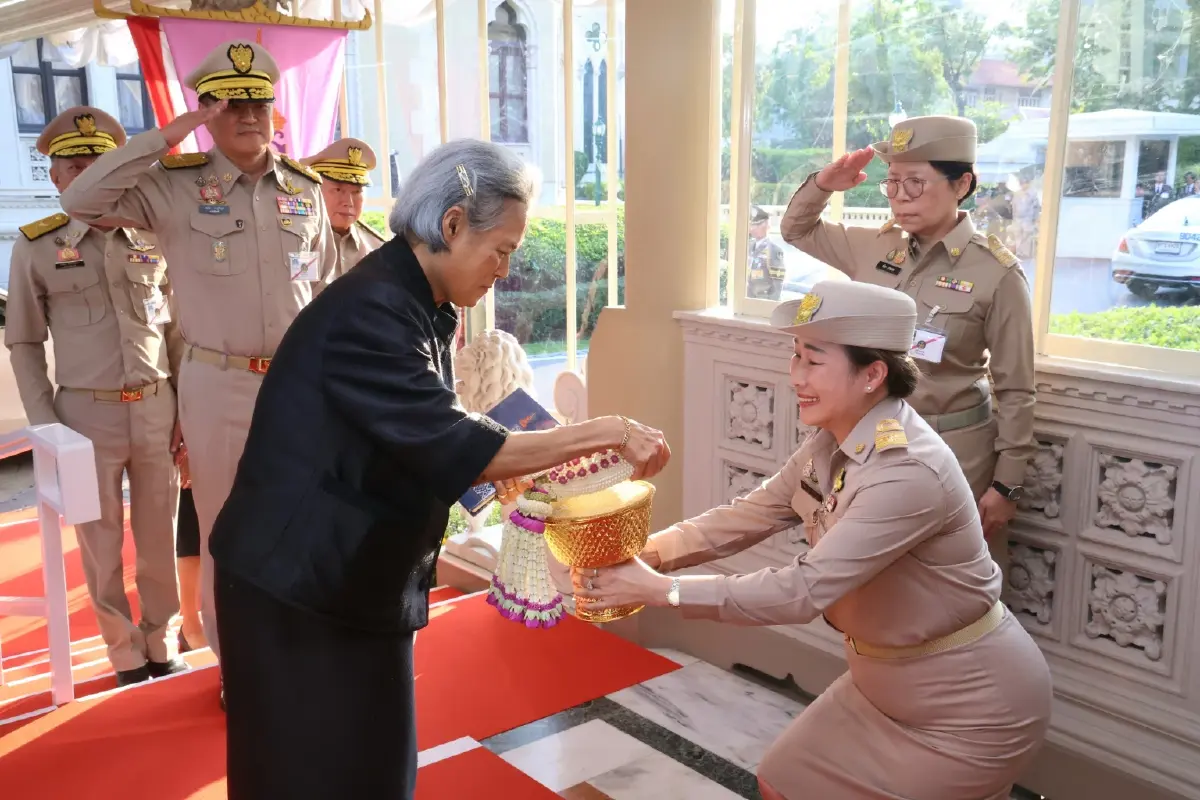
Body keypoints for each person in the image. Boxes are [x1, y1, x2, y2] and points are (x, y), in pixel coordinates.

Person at [208, 139, 671, 800]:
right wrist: (608, 432)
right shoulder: (374, 312)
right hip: (299, 586)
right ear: (452, 225)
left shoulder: (418, 300)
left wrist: (519, 478)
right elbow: (460, 443)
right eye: (502, 250)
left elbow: (426, 440)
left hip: (347, 574)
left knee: (371, 771)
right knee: (306, 775)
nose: (506, 270)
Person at [574, 281, 1051, 800]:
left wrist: (661, 592)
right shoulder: (829, 442)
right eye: (795, 356)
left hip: (972, 712)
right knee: (783, 779)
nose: (795, 376)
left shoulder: (908, 472)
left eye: (814, 362)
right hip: (879, 688)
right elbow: (745, 516)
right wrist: (649, 553)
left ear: (873, 374)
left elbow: (801, 590)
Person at [59, 41, 339, 686]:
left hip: (299, 386)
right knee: (226, 532)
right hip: (219, 384)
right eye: (229, 103)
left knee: (300, 519)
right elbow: (84, 203)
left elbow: (323, 291)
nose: (248, 114)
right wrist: (171, 132)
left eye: (259, 101)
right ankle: (237, 666)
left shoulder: (304, 190)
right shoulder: (174, 187)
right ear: (208, 112)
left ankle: (296, 646)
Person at [778, 115, 1035, 575]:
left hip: (954, 448)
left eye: (915, 183)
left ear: (963, 184)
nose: (899, 195)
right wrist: (824, 183)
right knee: (869, 575)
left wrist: (1007, 486)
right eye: (892, 183)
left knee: (947, 577)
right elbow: (797, 230)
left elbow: (1017, 388)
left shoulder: (996, 273)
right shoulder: (873, 248)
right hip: (867, 443)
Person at [5, 107, 188, 685]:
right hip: (85, 415)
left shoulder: (155, 240)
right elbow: (26, 342)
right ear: (56, 178)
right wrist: (46, 425)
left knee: (161, 535)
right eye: (74, 166)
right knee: (100, 541)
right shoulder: (36, 247)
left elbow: (179, 331)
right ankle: (124, 652)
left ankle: (163, 640)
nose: (87, 175)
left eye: (99, 165)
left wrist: (185, 407)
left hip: (158, 407)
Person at [301, 137, 388, 277]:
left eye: (356, 192)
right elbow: (299, 295)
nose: (348, 202)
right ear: (315, 191)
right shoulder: (302, 243)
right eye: (338, 190)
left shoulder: (377, 248)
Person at [747, 205, 786, 300]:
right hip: (748, 299)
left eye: (756, 225)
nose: (752, 228)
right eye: (752, 225)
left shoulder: (774, 250)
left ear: (766, 226)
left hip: (764, 300)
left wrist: (771, 306)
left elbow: (777, 284)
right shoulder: (748, 247)